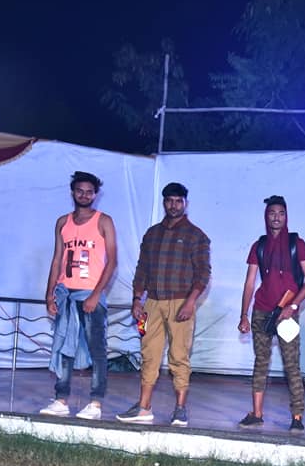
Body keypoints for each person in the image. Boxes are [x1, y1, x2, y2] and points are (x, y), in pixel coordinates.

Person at [116, 182, 211, 426]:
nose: (174, 205)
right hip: (152, 304)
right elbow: (142, 270)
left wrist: (190, 302)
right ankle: (144, 407)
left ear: (185, 203)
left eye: (179, 201)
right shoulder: (152, 234)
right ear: (164, 202)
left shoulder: (196, 236)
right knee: (149, 353)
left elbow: (203, 273)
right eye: (169, 200)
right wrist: (137, 300)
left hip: (181, 303)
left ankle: (180, 408)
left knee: (179, 355)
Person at [39, 171, 118, 420]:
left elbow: (112, 261)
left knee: (97, 349)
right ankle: (61, 399)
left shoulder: (104, 221)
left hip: (90, 294)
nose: (84, 195)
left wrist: (96, 294)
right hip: (66, 293)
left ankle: (95, 403)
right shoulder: (62, 222)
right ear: (73, 192)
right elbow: (57, 260)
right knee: (64, 346)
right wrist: (50, 294)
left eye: (89, 192)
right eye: (80, 191)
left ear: (95, 195)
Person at [237, 195, 305, 430]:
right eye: (272, 213)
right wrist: (243, 315)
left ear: (286, 216)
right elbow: (249, 283)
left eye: (281, 213)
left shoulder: (296, 244)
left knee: (291, 364)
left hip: (287, 313)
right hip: (261, 311)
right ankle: (256, 413)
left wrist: (293, 306)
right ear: (266, 216)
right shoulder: (259, 246)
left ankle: (297, 417)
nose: (276, 217)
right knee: (260, 362)